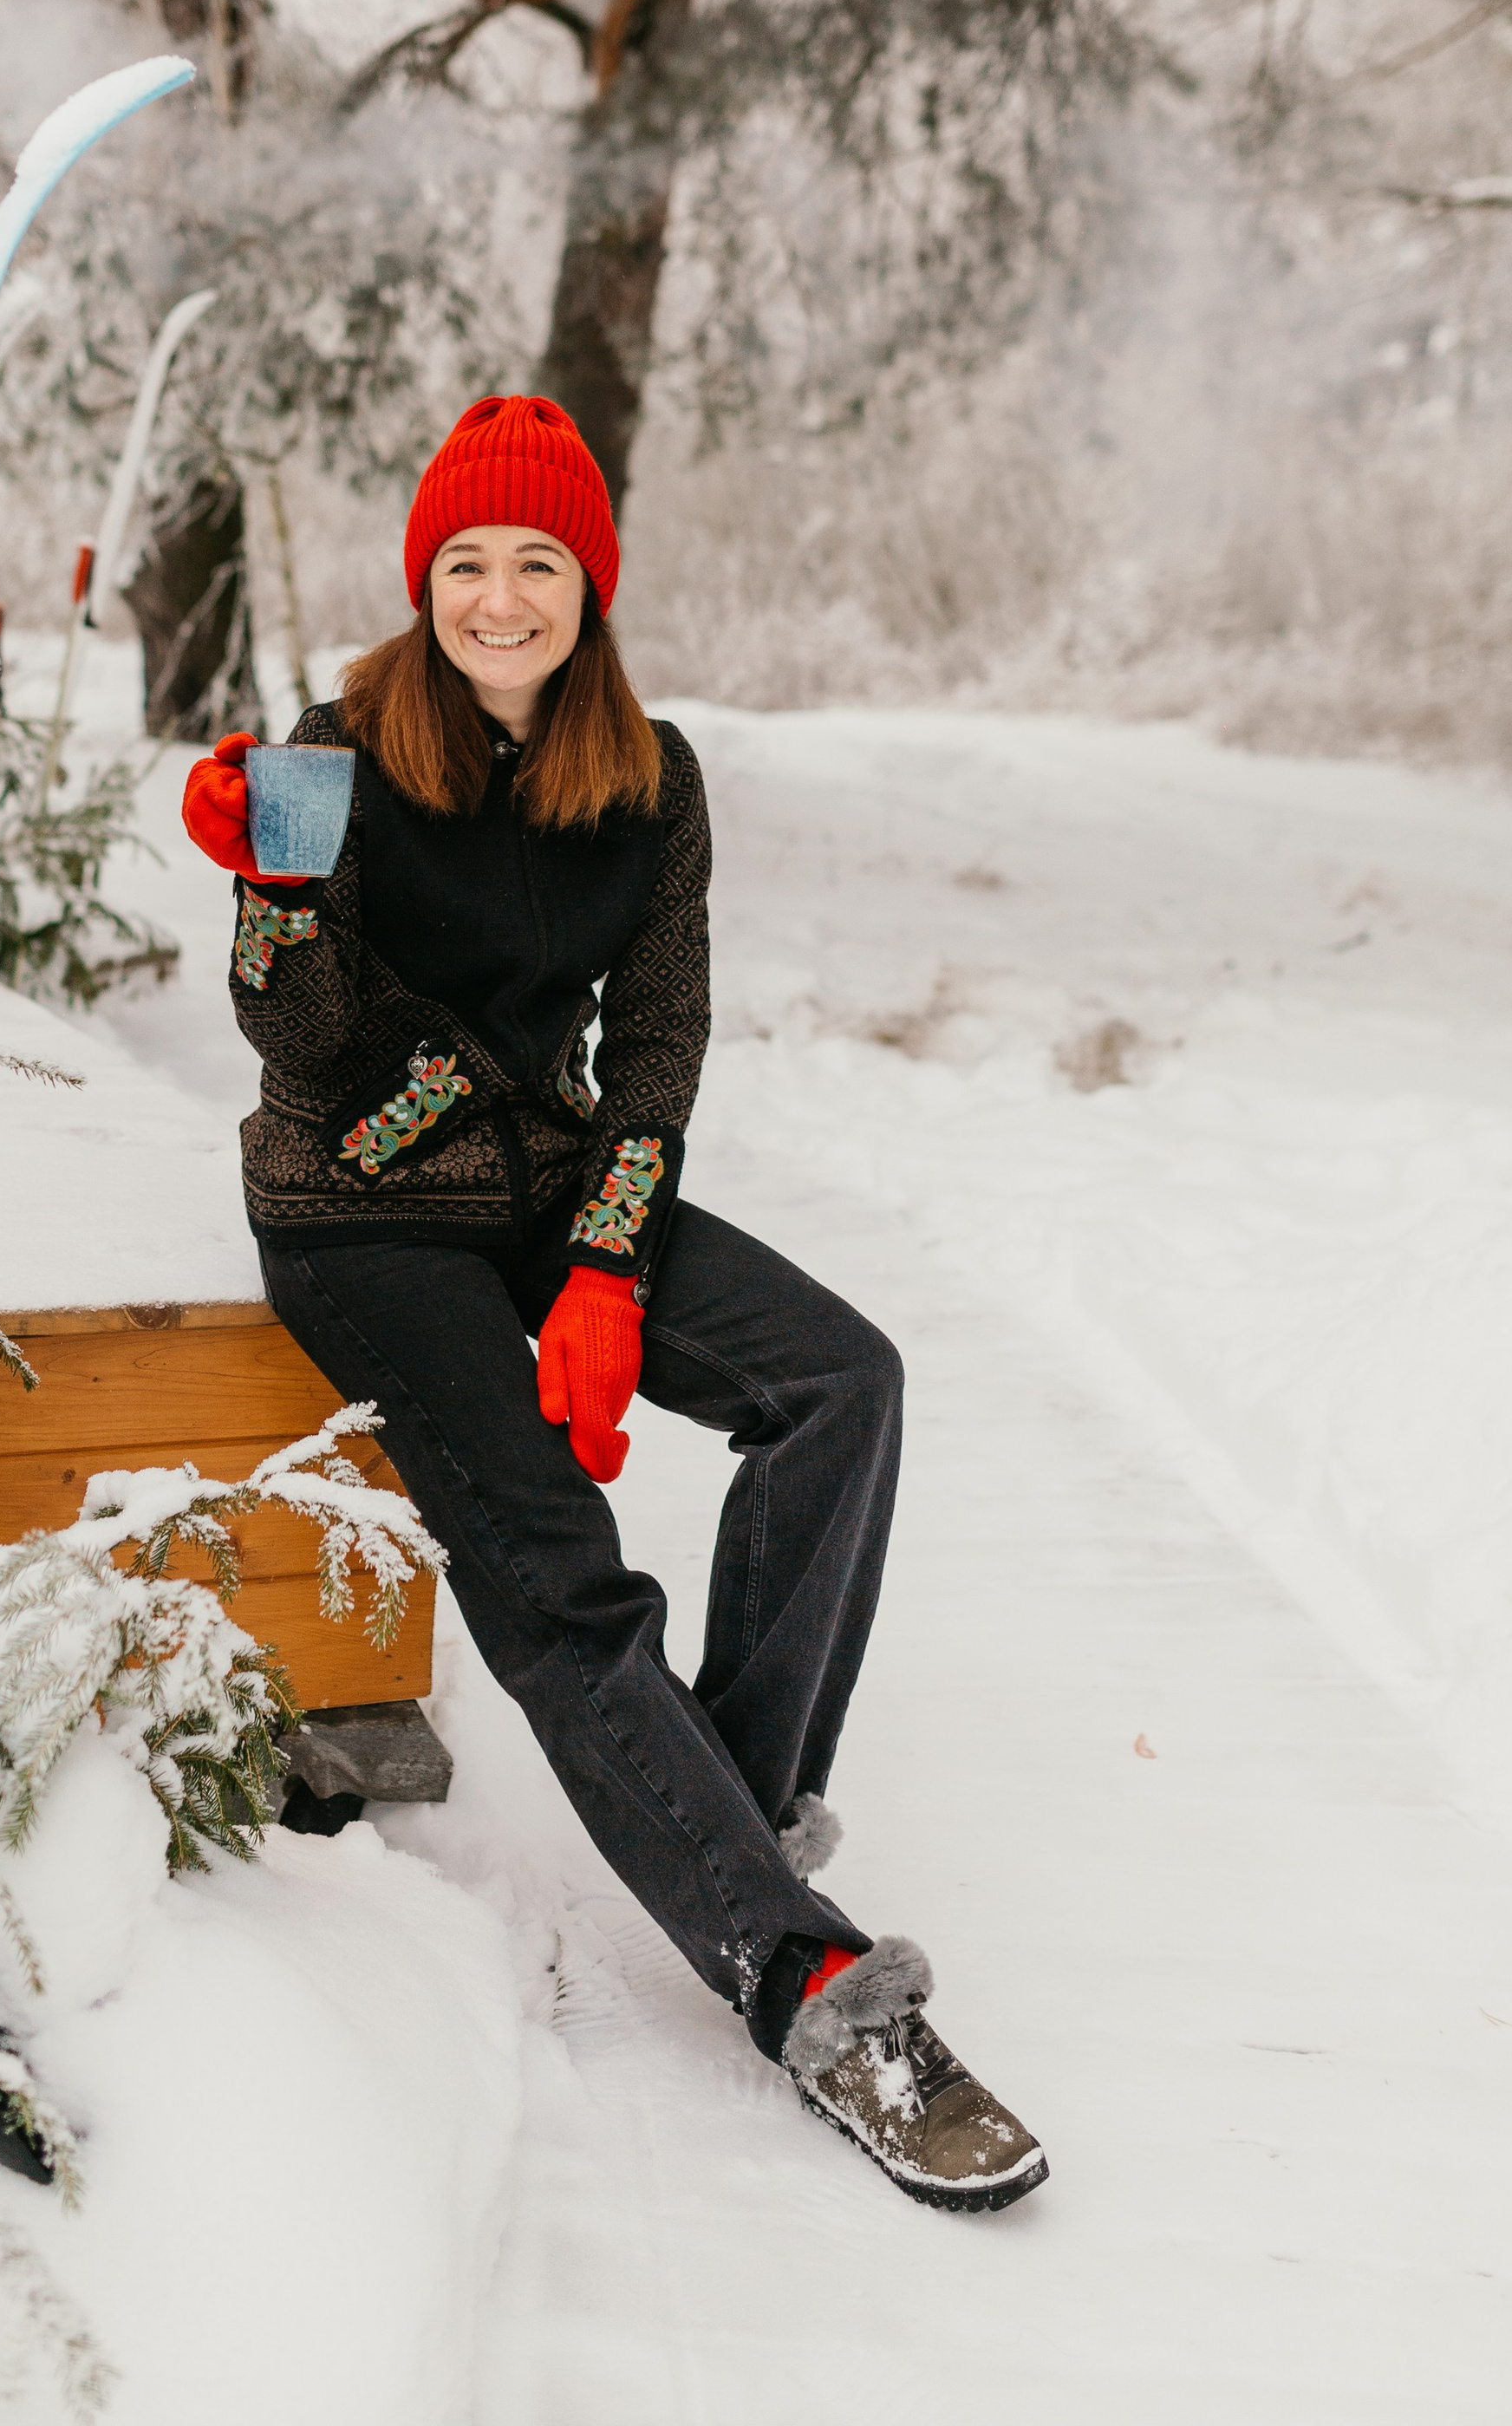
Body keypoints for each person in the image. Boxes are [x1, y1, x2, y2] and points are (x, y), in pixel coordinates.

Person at [180, 392, 1046, 2211]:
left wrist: (600, 1263)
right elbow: (305, 1056)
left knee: (840, 1381)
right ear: (426, 584)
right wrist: (274, 897)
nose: (500, 598)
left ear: (593, 585)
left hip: (553, 1179)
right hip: (361, 1208)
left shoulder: (647, 780)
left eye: (538, 564)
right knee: (562, 1585)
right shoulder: (337, 749)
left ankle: (724, 1817)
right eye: (467, 565)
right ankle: (798, 1975)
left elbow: (651, 1047)